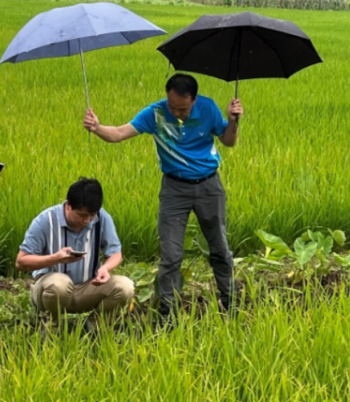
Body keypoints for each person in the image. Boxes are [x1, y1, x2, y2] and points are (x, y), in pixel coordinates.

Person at [83, 73, 244, 320]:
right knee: (170, 255)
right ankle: (168, 313)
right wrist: (96, 127)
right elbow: (118, 133)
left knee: (220, 248)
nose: (177, 113)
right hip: (174, 190)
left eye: (183, 109)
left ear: (194, 100)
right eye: (172, 107)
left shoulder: (208, 108)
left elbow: (229, 141)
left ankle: (230, 303)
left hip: (209, 187)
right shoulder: (156, 113)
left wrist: (233, 121)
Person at [16, 178, 134, 329]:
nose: (87, 220)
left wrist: (105, 268)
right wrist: (55, 258)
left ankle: (94, 326)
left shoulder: (102, 218)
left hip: (88, 286)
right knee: (59, 284)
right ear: (68, 206)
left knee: (125, 286)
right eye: (81, 215)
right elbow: (21, 262)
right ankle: (53, 326)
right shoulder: (46, 220)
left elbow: (116, 253)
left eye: (92, 215)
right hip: (50, 290)